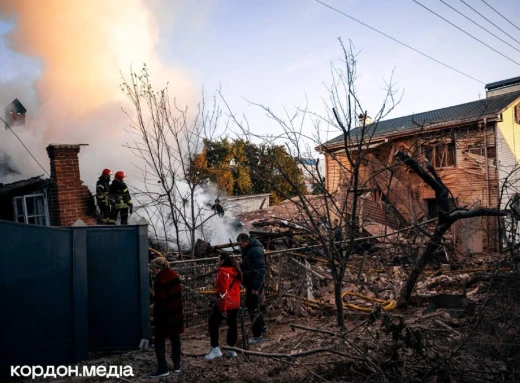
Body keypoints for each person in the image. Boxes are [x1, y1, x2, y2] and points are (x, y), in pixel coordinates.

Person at [149, 257, 184, 377]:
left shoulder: (160, 279)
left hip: (164, 315)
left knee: (159, 340)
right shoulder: (173, 275)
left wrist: (153, 299)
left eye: (154, 269)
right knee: (175, 339)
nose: (153, 271)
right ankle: (177, 365)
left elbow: (159, 299)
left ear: (159, 268)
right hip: (176, 312)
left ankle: (163, 368)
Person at [205, 253, 243, 360]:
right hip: (235, 302)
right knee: (232, 324)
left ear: (222, 261)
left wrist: (222, 307)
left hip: (226, 303)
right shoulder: (235, 271)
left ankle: (215, 348)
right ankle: (232, 349)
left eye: (218, 259)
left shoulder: (223, 272)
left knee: (213, 323)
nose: (217, 261)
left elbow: (223, 291)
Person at [237, 233, 266, 344]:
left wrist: (255, 287)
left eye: (241, 244)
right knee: (255, 306)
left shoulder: (255, 251)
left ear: (246, 242)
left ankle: (257, 335)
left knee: (252, 308)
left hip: (254, 284)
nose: (239, 246)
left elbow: (260, 270)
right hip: (251, 282)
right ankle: (262, 327)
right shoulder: (249, 250)